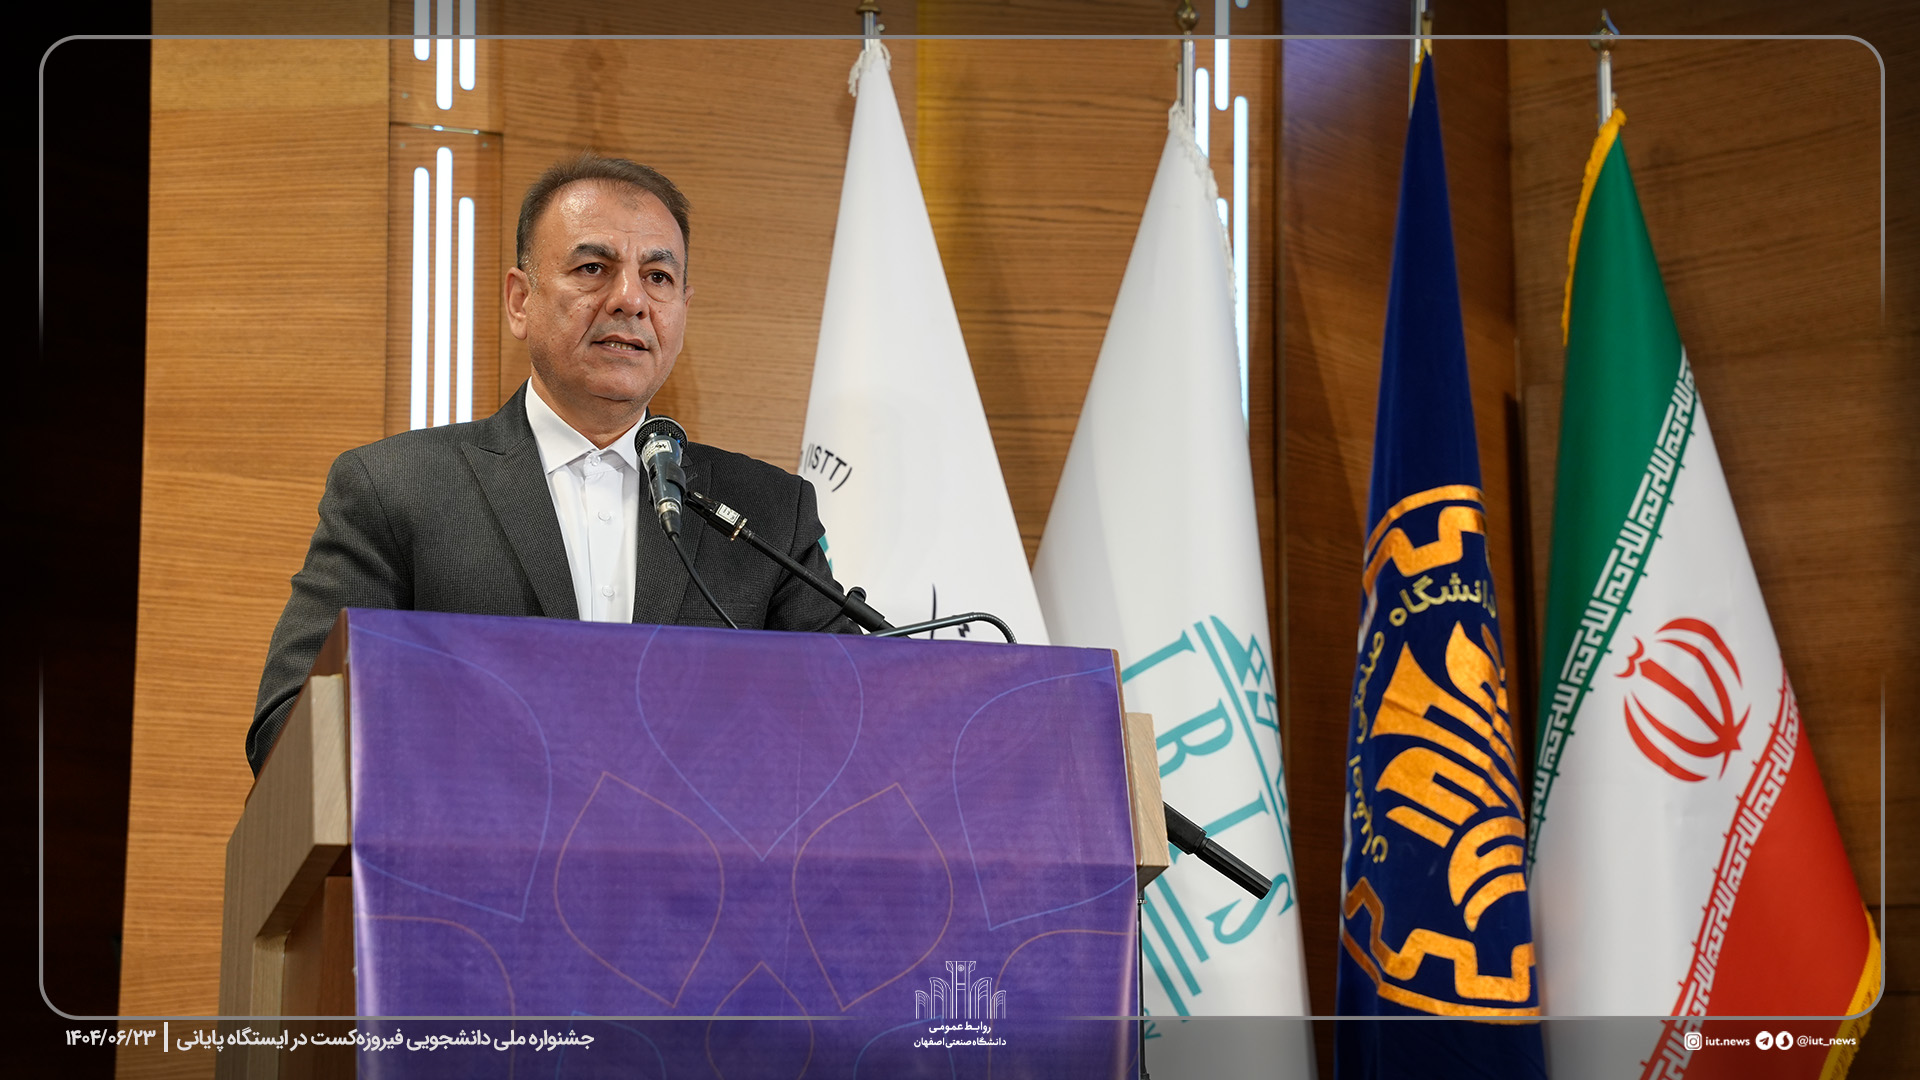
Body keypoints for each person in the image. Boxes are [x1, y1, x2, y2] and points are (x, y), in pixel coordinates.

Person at [247, 153, 856, 774]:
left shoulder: (766, 513)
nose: (631, 299)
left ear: (681, 309)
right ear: (520, 301)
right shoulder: (396, 489)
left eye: (658, 277)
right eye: (594, 269)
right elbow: (290, 729)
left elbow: (854, 720)